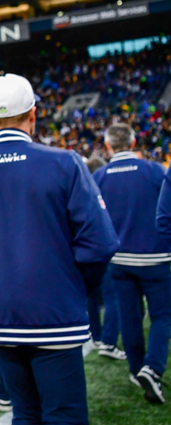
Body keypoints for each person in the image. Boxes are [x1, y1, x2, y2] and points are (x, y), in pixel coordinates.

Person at [0, 73, 119, 424]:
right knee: (64, 415)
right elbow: (100, 244)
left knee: (24, 414)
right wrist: (75, 285)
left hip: (0, 319)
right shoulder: (65, 162)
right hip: (57, 315)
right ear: (33, 114)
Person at [96, 123, 171, 404]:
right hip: (155, 255)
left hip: (118, 259)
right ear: (134, 141)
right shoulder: (154, 170)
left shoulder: (100, 176)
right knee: (162, 316)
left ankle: (137, 368)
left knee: (130, 317)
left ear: (107, 146)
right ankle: (152, 367)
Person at [83, 154, 126, 361]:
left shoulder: (85, 189)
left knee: (92, 295)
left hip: (88, 251)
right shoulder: (108, 189)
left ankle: (96, 335)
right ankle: (108, 341)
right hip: (108, 249)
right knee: (112, 296)